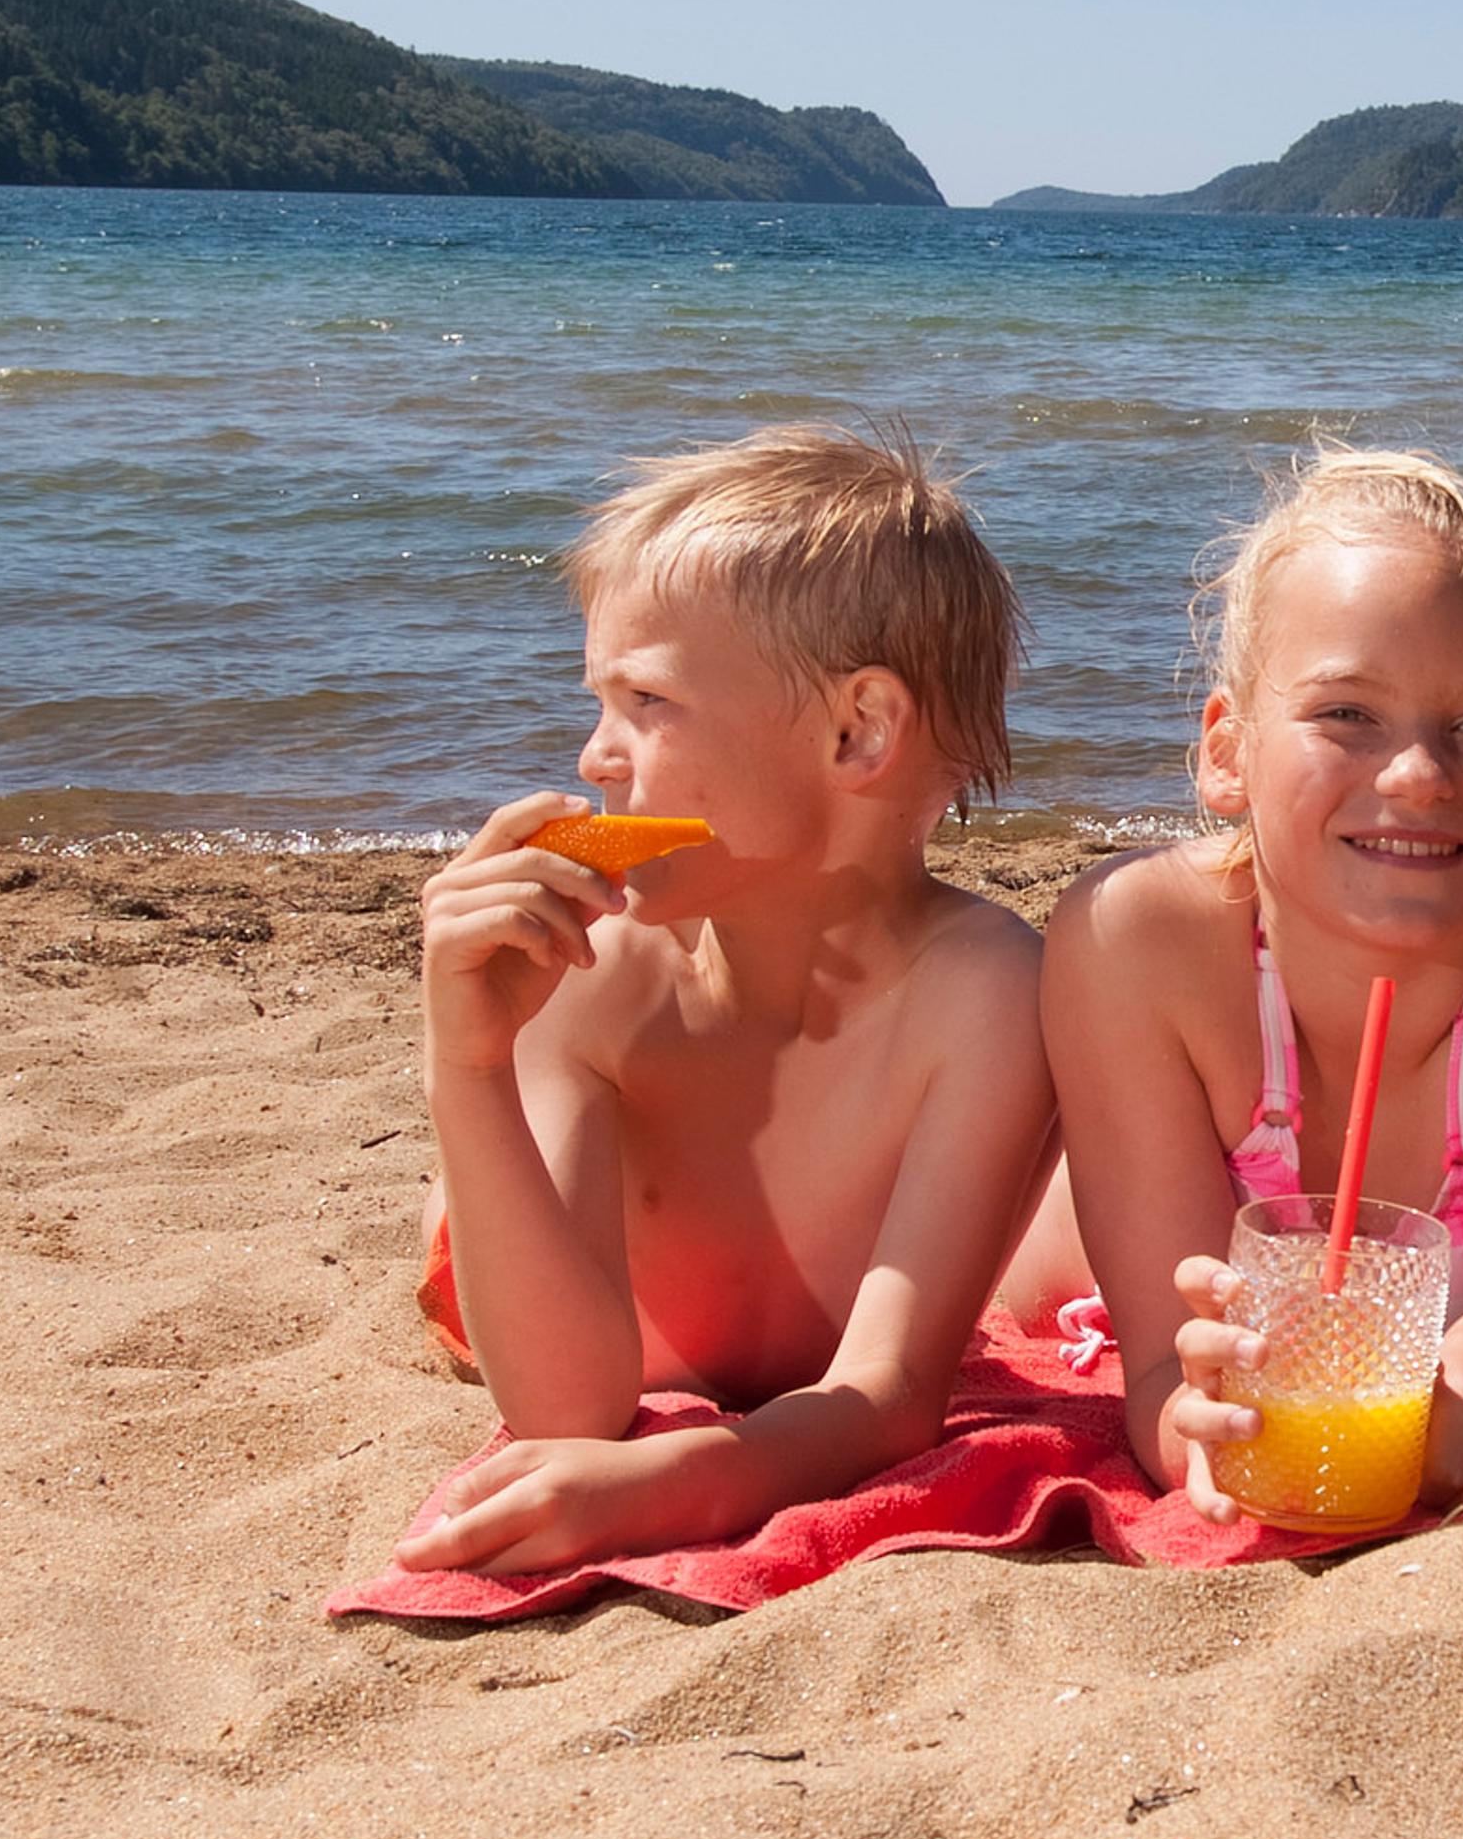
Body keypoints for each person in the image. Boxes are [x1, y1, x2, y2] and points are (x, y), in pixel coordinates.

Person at [401, 423, 1059, 1573]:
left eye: (646, 700)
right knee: (459, 1219)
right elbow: (568, 1411)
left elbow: (890, 1394)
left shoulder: (988, 992)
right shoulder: (592, 982)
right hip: (547, 1292)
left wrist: (713, 1469)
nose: (596, 757)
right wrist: (467, 1067)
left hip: (778, 1309)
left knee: (1060, 1254)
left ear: (859, 731)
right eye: (601, 703)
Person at [1008, 447, 1463, 1519]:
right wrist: (1194, 1427)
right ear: (1227, 753)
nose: (1420, 773)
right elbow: (1167, 1380)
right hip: (1069, 1248)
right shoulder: (1132, 939)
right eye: (1345, 714)